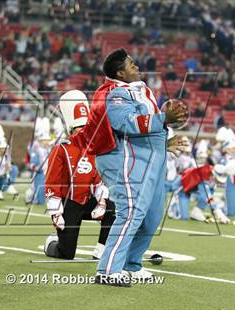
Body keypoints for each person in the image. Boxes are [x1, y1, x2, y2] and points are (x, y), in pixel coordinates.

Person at [76, 48, 188, 286]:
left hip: (149, 158)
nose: (136, 66)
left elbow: (148, 127)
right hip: (124, 158)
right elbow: (124, 122)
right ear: (119, 72)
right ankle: (107, 269)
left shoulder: (142, 89)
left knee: (152, 215)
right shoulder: (115, 92)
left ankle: (131, 264)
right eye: (131, 64)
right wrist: (163, 119)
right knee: (132, 211)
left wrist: (165, 140)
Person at [44, 90, 116, 260]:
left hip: (87, 200)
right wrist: (55, 213)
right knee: (66, 254)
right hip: (68, 203)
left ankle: (101, 250)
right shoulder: (60, 149)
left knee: (113, 210)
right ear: (71, 129)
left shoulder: (96, 149)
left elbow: (99, 182)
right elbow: (51, 185)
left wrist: (102, 202)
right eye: (80, 128)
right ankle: (51, 243)